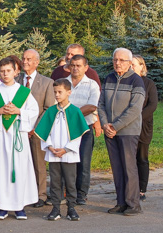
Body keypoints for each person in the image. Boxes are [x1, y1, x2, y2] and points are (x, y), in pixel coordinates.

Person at [0, 57, 39, 220]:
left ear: (16, 72)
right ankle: (1, 206)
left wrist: (19, 111)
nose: (5, 74)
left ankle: (19, 207)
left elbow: (33, 112)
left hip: (17, 137)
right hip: (0, 138)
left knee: (19, 170)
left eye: (8, 71)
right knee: (0, 170)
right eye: (2, 71)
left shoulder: (23, 92)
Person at [98, 48, 146, 215]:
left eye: (121, 60)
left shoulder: (136, 81)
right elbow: (101, 103)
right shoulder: (109, 78)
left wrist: (115, 126)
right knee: (117, 168)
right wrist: (105, 124)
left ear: (129, 63)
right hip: (110, 131)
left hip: (128, 131)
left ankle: (133, 204)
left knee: (128, 168)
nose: (117, 63)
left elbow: (135, 110)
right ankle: (120, 202)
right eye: (115, 60)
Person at [34, 80, 89, 222]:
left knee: (70, 182)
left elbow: (78, 134)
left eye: (60, 92)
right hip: (53, 153)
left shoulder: (75, 111)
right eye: (55, 92)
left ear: (69, 93)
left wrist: (66, 149)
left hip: (68, 154)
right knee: (55, 182)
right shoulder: (51, 111)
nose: (57, 95)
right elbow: (45, 132)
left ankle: (71, 208)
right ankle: (56, 209)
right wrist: (50, 146)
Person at [19, 49, 56, 208]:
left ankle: (40, 195)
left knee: (38, 164)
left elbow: (48, 108)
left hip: (37, 130)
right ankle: (21, 194)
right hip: (18, 130)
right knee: (20, 164)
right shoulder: (15, 79)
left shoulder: (47, 82)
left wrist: (34, 128)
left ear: (37, 62)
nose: (25, 62)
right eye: (23, 58)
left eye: (29, 59)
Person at [64, 54, 101, 205]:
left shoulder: (92, 84)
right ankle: (68, 192)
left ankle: (81, 194)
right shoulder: (63, 83)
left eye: (78, 65)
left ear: (86, 68)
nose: (75, 68)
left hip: (85, 128)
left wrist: (72, 114)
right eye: (72, 65)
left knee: (84, 162)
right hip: (65, 129)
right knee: (67, 162)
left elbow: (92, 106)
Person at [131, 55, 157, 202]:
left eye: (134, 64)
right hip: (126, 127)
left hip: (143, 127)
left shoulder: (149, 84)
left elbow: (152, 105)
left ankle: (141, 189)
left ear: (142, 66)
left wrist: (136, 118)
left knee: (141, 158)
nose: (131, 67)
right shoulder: (128, 83)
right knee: (128, 158)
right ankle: (130, 188)